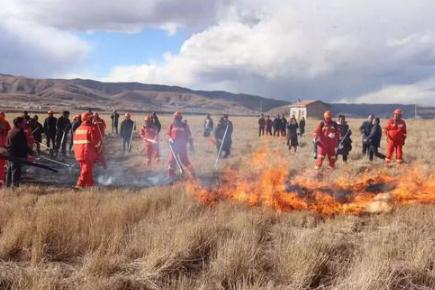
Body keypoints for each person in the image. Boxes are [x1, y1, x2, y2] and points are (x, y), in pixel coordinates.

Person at [73, 112, 103, 188]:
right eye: (91, 118)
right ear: (88, 119)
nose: (93, 119)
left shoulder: (78, 129)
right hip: (87, 153)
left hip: (79, 154)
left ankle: (90, 186)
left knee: (88, 171)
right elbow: (96, 142)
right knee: (86, 171)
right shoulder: (91, 128)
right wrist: (96, 128)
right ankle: (79, 185)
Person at [5, 117, 34, 188]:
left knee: (10, 170)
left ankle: (8, 186)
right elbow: (23, 145)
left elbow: (7, 144)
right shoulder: (18, 133)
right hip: (17, 155)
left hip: (10, 154)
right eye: (23, 123)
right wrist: (30, 151)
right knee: (16, 171)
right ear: (18, 124)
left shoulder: (11, 131)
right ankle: (14, 188)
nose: (25, 124)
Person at [166, 111, 195, 178]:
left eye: (178, 118)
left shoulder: (184, 125)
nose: (176, 120)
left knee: (185, 160)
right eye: (175, 118)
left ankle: (193, 174)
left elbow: (189, 136)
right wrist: (169, 138)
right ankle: (171, 177)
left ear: (180, 118)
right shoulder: (172, 125)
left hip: (182, 147)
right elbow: (167, 134)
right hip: (173, 147)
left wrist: (191, 145)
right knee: (171, 161)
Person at [0, 112, 11, 187]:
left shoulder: (6, 123)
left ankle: (2, 180)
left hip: (3, 147)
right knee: (2, 166)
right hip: (3, 148)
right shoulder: (6, 123)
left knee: (2, 165)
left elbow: (9, 132)